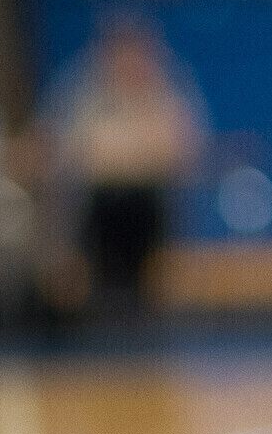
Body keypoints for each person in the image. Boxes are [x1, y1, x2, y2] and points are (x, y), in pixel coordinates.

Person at [43, 19, 207, 307]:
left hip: (150, 204)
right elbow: (66, 150)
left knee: (143, 213)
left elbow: (182, 150)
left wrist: (127, 153)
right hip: (99, 205)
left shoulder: (167, 95)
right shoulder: (84, 97)